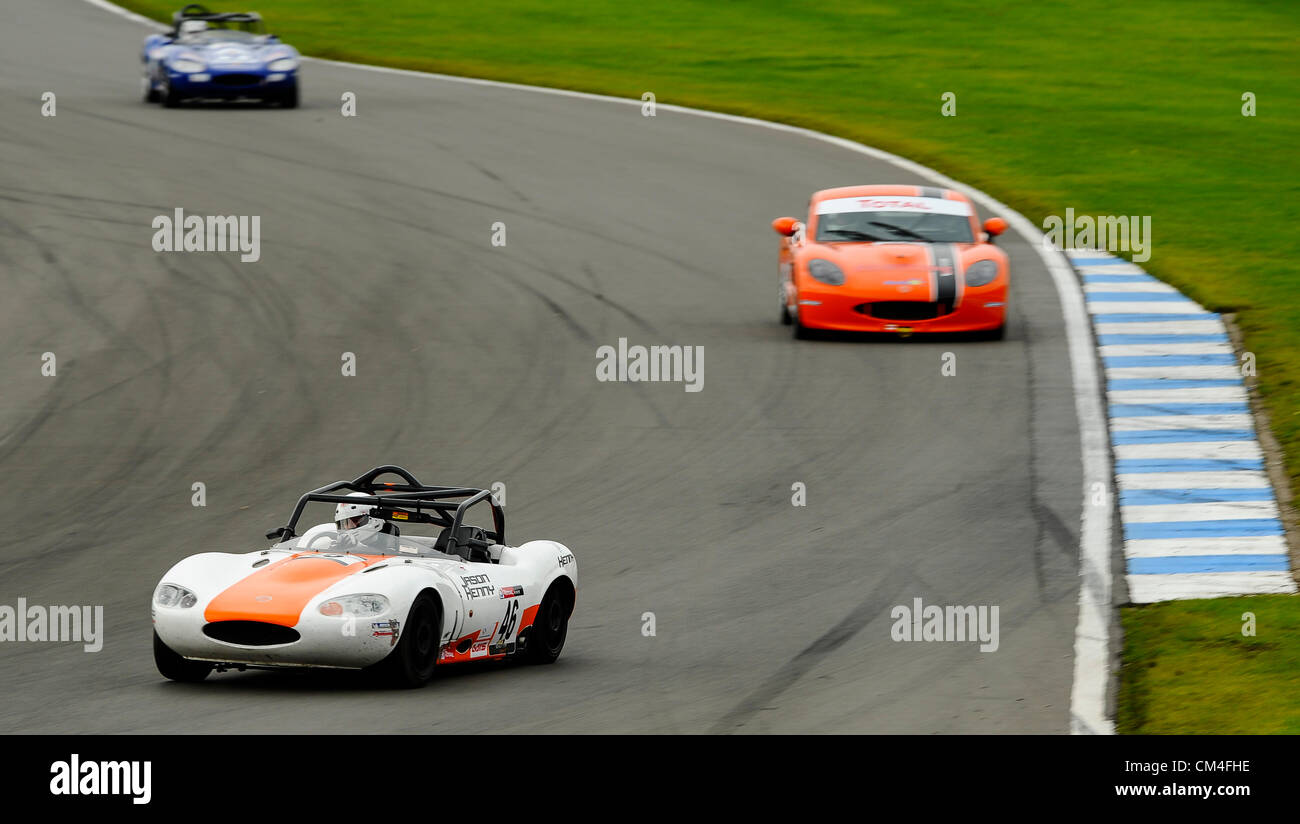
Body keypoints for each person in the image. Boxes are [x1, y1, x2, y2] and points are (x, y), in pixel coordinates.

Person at [334, 492, 398, 552]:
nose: (346, 528)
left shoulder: (388, 544)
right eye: (342, 524)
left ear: (374, 519)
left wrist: (359, 548)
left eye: (354, 522)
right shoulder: (342, 544)